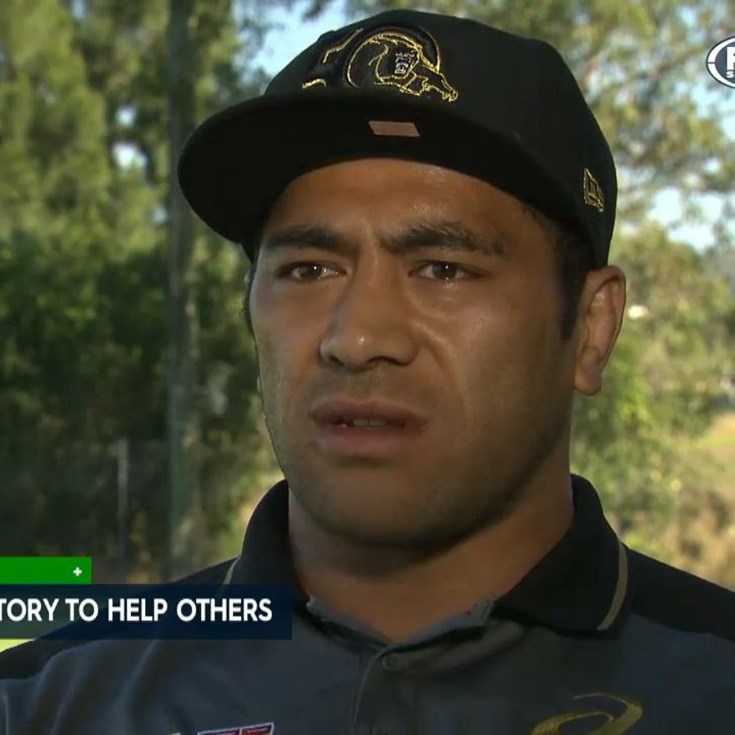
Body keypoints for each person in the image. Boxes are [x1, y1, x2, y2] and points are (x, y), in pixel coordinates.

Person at [1, 8, 734, 734]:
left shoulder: (709, 685)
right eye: (309, 269)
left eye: (443, 269)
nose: (355, 338)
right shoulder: (47, 700)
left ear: (592, 329)